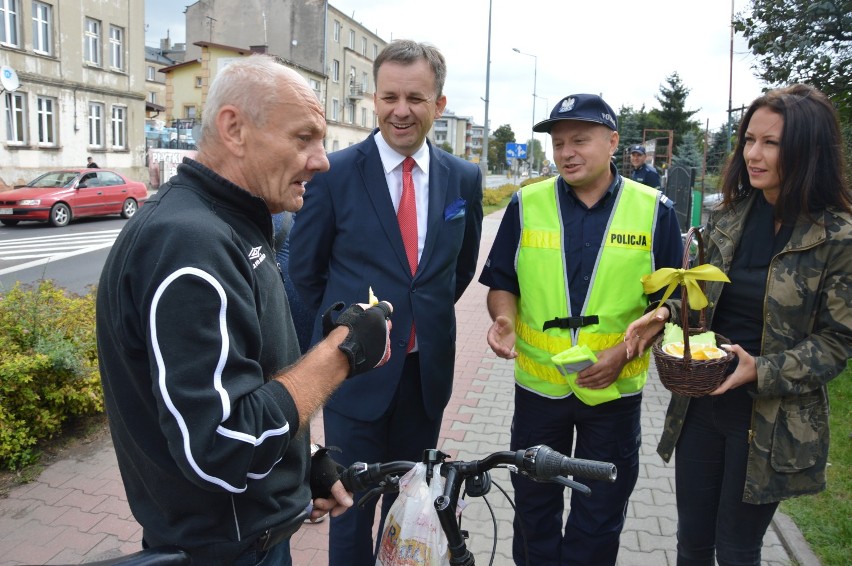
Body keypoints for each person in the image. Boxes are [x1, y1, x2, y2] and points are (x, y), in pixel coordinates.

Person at [96, 54, 395, 566]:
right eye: (304, 138)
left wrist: (300, 465)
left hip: (252, 533)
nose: (322, 160)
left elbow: (247, 382)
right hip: (227, 551)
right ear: (234, 129)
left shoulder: (234, 223)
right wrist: (342, 352)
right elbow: (221, 444)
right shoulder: (190, 244)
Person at [625, 83, 852, 565]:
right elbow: (702, 297)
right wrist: (664, 314)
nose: (754, 153)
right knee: (690, 544)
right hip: (701, 407)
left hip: (770, 423)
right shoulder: (728, 216)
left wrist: (762, 370)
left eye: (771, 143)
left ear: (807, 151)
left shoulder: (838, 237)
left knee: (736, 550)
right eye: (750, 139)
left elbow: (837, 343)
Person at [289, 39, 484, 565]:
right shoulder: (335, 174)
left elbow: (455, 273)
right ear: (373, 99)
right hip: (354, 378)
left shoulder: (463, 178)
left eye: (416, 98)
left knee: (408, 512)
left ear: (439, 105)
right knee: (350, 510)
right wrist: (339, 341)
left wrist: (420, 318)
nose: (401, 111)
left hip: (425, 378)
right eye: (390, 96)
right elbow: (305, 275)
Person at [479, 93, 683, 566]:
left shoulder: (654, 210)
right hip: (538, 391)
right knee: (533, 508)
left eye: (580, 140)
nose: (566, 152)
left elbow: (674, 302)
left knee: (599, 513)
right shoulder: (526, 204)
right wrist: (503, 319)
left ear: (612, 141)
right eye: (558, 143)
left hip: (613, 394)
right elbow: (501, 283)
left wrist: (628, 352)